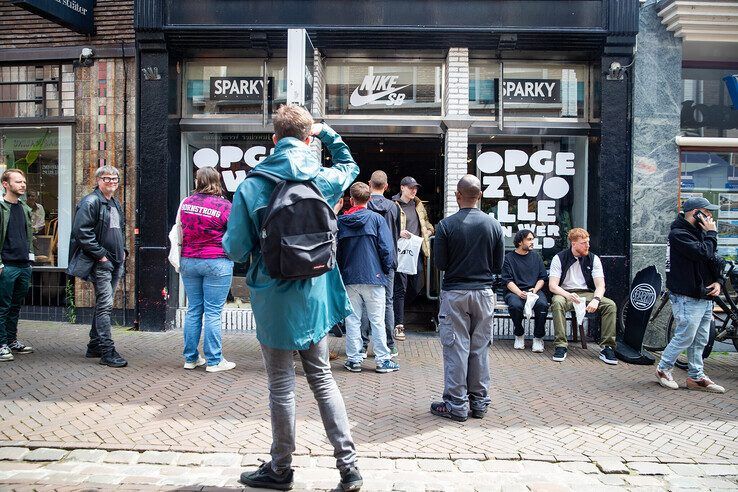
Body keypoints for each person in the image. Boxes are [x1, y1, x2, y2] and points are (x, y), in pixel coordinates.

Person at [223, 105, 362, 492]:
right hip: (316, 294)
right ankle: (348, 467)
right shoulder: (323, 177)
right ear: (307, 138)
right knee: (323, 378)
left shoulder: (253, 184)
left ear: (273, 139)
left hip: (274, 299)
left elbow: (235, 248)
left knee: (281, 385)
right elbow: (351, 166)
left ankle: (280, 468)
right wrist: (327, 134)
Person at [430, 175, 504, 422]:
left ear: (457, 195)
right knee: (479, 349)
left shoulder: (446, 225)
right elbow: (498, 264)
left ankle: (456, 404)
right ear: (480, 195)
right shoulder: (494, 225)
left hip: (456, 292)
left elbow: (440, 263)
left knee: (456, 348)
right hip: (484, 293)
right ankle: (479, 402)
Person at [657, 197, 725, 393]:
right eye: (707, 211)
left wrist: (719, 282)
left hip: (704, 295)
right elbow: (702, 254)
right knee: (686, 335)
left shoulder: (701, 233)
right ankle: (663, 369)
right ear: (695, 212)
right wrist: (711, 233)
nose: (711, 216)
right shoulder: (678, 234)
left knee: (701, 338)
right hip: (687, 295)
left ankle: (696, 376)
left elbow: (713, 259)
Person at [67, 165, 128, 368]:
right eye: (107, 178)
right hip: (102, 263)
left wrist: (123, 251)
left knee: (104, 304)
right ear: (99, 180)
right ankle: (107, 351)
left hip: (115, 261)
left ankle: (94, 345)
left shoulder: (113, 203)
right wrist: (101, 256)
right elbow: (82, 232)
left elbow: (117, 229)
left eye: (115, 179)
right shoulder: (91, 201)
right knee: (105, 306)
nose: (112, 182)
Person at [338, 181, 398, 374]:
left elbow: (336, 251)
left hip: (350, 277)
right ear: (369, 199)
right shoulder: (376, 220)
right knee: (377, 320)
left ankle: (354, 359)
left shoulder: (341, 221)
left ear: (351, 199)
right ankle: (382, 360)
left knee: (353, 320)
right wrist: (385, 269)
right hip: (374, 276)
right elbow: (387, 249)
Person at [179, 166, 235, 373]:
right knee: (213, 312)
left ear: (197, 181)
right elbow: (234, 233)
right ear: (217, 181)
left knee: (194, 309)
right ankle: (214, 361)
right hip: (216, 261)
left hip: (189, 260)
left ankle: (191, 358)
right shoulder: (224, 206)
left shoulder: (186, 203)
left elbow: (179, 229)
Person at [548, 228, 618, 365]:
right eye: (583, 243)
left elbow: (600, 285)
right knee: (557, 303)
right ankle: (561, 345)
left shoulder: (593, 258)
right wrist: (568, 295)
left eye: (588, 242)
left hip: (587, 293)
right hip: (565, 292)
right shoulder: (559, 258)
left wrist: (596, 300)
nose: (588, 246)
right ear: (573, 244)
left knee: (610, 305)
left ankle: (607, 347)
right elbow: (553, 286)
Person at [359, 170, 401, 359]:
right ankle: (389, 345)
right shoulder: (393, 207)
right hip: (388, 260)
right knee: (388, 302)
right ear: (386, 186)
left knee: (366, 304)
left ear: (369, 184)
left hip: (368, 260)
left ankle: (362, 344)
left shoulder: (364, 206)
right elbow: (396, 234)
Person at [392, 176, 434, 341]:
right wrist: (398, 233)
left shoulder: (418, 205)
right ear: (402, 188)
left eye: (415, 187)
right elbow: (387, 226)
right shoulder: (394, 205)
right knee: (400, 288)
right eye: (410, 187)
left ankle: (396, 309)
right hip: (400, 251)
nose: (414, 190)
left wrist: (428, 233)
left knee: (417, 285)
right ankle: (399, 324)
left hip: (416, 251)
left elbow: (428, 225)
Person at [0, 169, 35, 362]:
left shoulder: (24, 208)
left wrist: (30, 261)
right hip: (7, 266)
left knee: (15, 306)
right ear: (6, 184)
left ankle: (11, 340)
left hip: (23, 265)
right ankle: (1, 343)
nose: (22, 185)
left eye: (24, 182)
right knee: (3, 306)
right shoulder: (0, 208)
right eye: (18, 182)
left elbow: (28, 237)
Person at [502, 229, 549, 353]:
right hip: (514, 291)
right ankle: (519, 333)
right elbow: (507, 280)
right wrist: (519, 293)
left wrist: (535, 290)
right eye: (529, 239)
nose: (532, 242)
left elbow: (542, 277)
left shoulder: (536, 257)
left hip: (534, 291)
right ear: (519, 242)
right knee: (515, 306)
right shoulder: (509, 258)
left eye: (532, 239)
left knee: (542, 305)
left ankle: (538, 337)